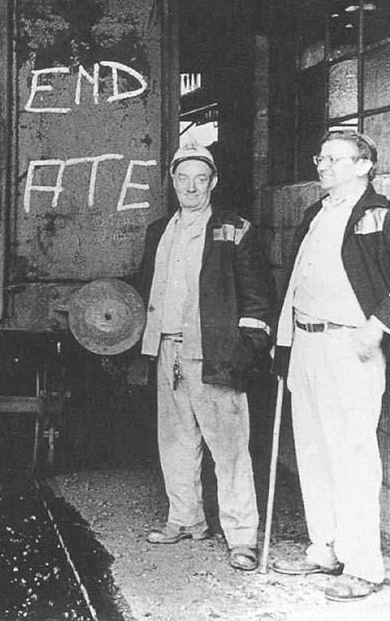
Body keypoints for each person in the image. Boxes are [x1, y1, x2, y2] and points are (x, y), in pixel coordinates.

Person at [271, 130, 390, 601]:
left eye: (335, 159)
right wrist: (285, 342)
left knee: (352, 457)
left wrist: (378, 327)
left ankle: (364, 566)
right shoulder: (315, 214)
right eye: (321, 158)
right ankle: (325, 549)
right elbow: (297, 283)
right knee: (313, 453)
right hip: (308, 344)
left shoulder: (387, 216)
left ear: (364, 165)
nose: (323, 166)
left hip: (351, 347)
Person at [136, 143, 273, 572]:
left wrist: (243, 352)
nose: (191, 186)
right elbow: (146, 289)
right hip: (168, 350)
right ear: (173, 182)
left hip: (216, 355)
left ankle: (241, 538)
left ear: (213, 182)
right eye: (183, 178)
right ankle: (186, 519)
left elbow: (258, 299)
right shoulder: (159, 230)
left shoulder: (234, 229)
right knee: (175, 443)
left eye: (201, 178)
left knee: (229, 450)